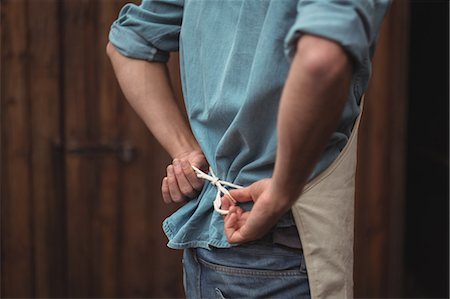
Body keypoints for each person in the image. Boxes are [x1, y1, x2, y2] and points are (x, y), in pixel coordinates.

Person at [107, 1, 390, 298]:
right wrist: (282, 192)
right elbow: (321, 58)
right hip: (281, 248)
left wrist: (184, 150)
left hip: (218, 257)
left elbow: (129, 43)